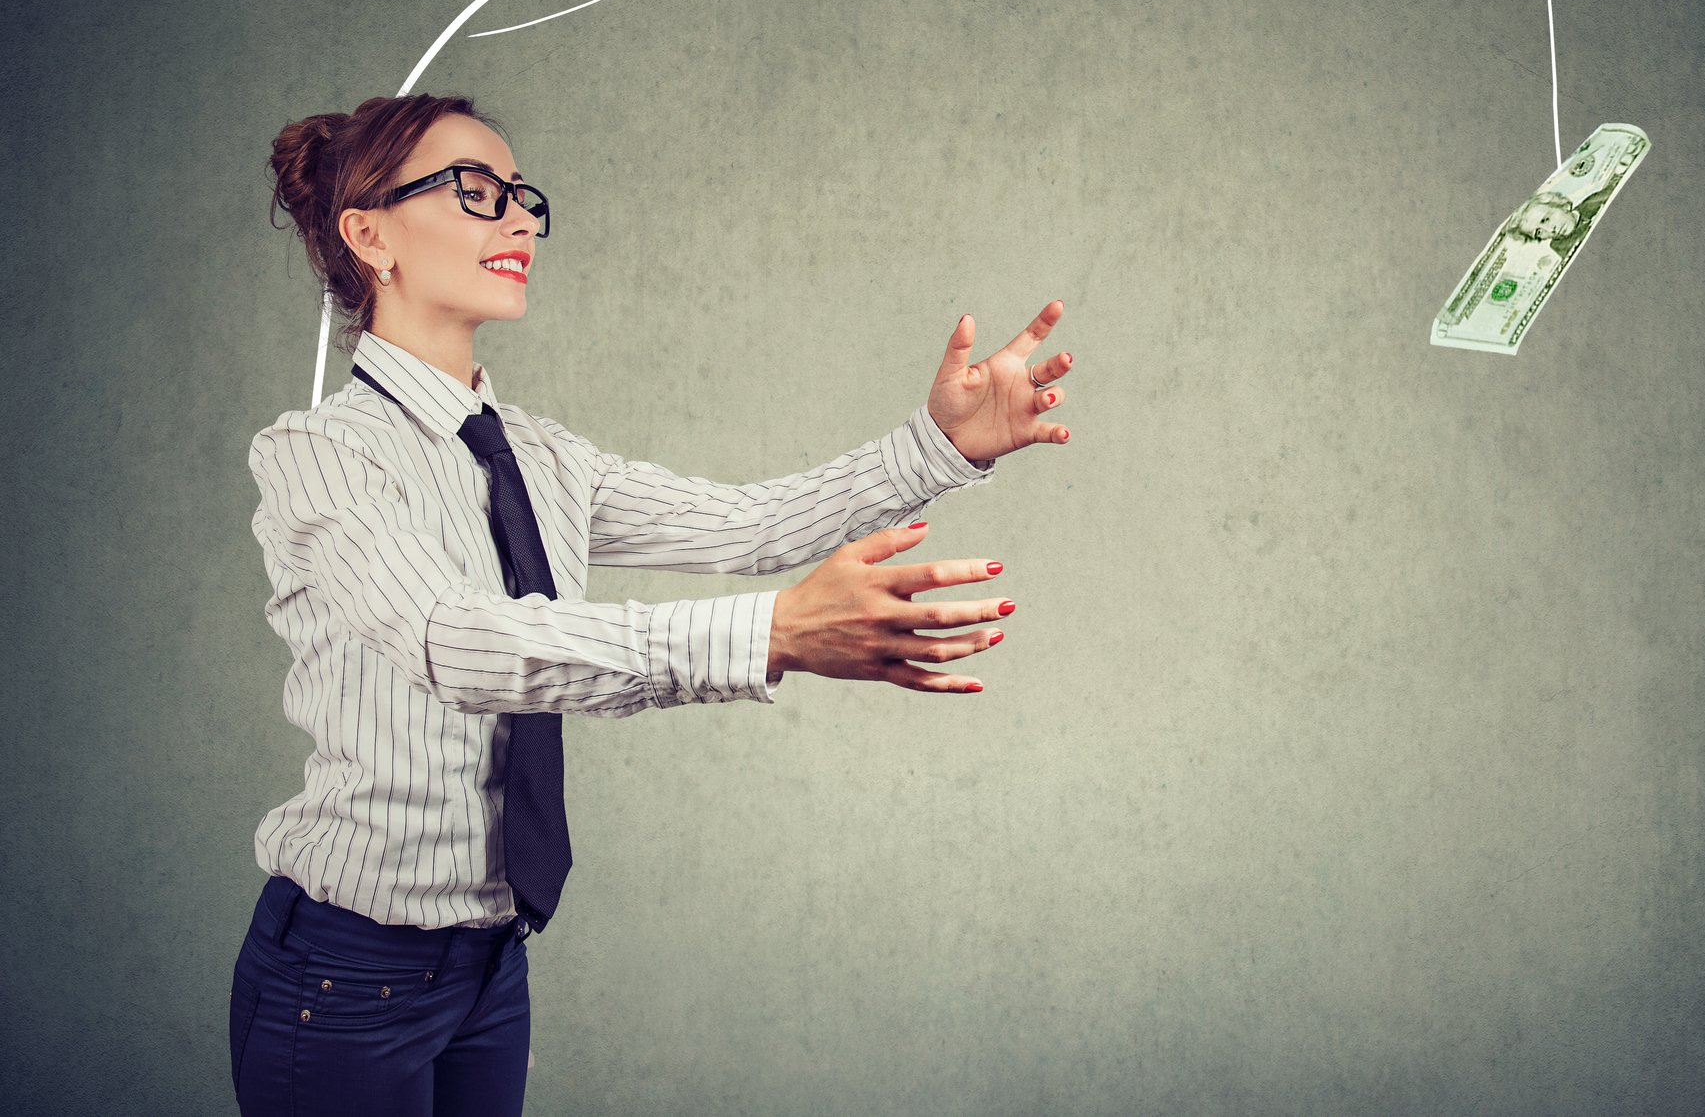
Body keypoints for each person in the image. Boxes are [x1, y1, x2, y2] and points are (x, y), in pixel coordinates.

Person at [228, 93, 1076, 1115]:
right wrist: (770, 633)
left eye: (523, 197)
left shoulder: (540, 455)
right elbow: (455, 641)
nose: (520, 221)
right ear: (369, 234)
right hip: (343, 978)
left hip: (492, 966)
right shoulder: (318, 455)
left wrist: (939, 446)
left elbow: (748, 527)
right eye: (476, 192)